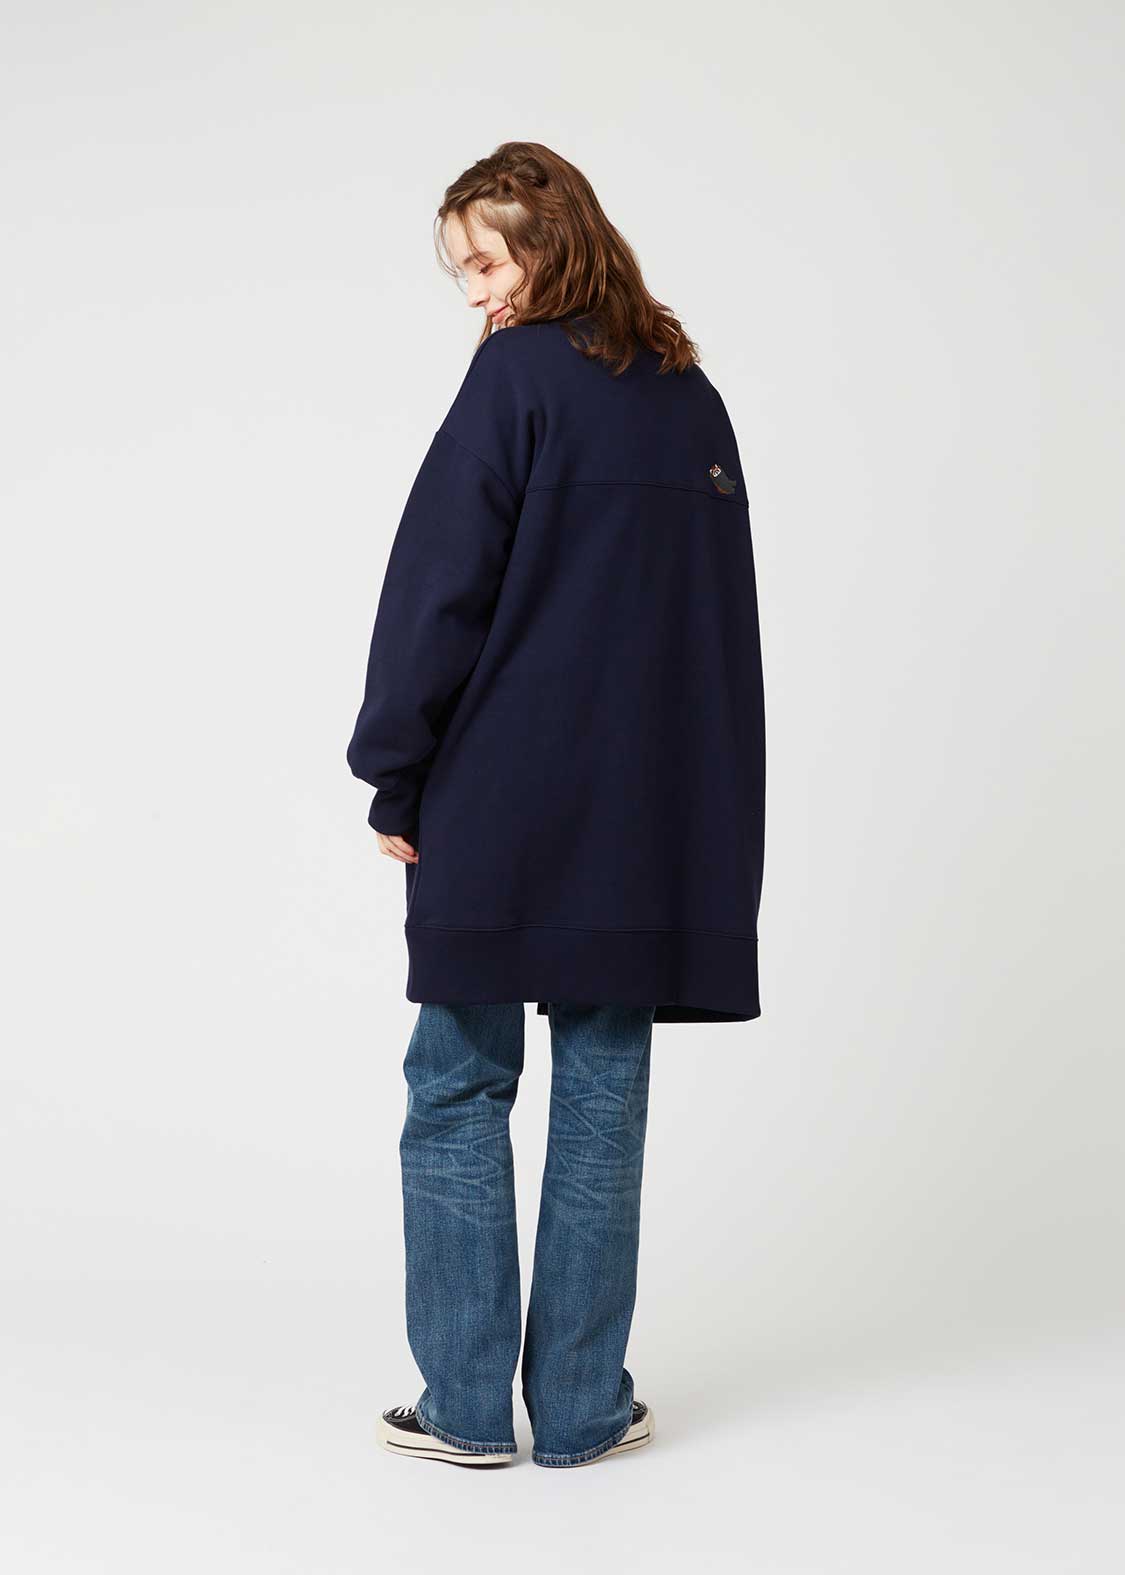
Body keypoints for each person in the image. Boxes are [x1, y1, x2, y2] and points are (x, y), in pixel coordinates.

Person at [346, 142, 766, 1469]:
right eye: (461, 274)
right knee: (603, 1087)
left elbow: (439, 586)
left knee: (458, 1081)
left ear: (552, 241)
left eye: (485, 263)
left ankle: (468, 1409)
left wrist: (394, 764)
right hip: (643, 809)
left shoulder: (516, 378)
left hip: (499, 792)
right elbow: (718, 629)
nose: (476, 294)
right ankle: (581, 1410)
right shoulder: (688, 394)